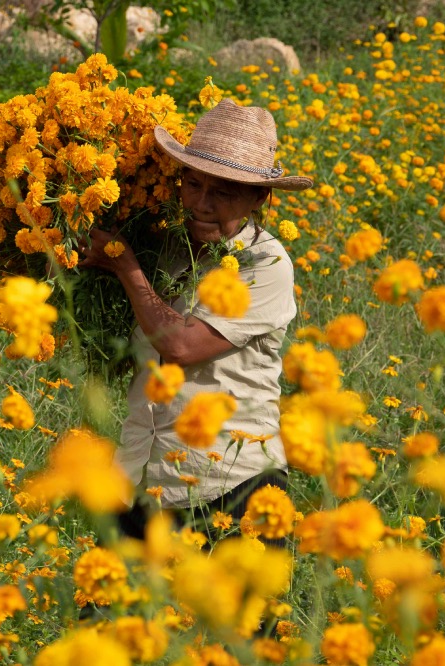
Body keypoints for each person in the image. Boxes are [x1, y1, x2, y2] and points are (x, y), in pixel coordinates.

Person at [79, 98, 313, 544]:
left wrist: (125, 266)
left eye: (222, 192)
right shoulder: (164, 245)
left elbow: (182, 346)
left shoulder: (264, 264)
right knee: (105, 611)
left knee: (231, 616)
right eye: (191, 184)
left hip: (229, 484)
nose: (202, 203)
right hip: (142, 475)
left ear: (259, 197)